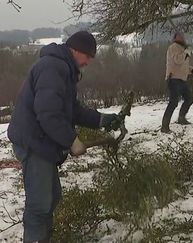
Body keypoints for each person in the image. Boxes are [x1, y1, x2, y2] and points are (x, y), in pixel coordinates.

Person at [7, 31, 120, 243]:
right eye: (88, 56)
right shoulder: (53, 68)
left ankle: (44, 238)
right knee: (40, 204)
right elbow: (48, 114)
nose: (88, 62)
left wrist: (101, 120)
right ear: (75, 50)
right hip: (34, 142)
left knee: (51, 197)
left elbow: (72, 110)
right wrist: (71, 141)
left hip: (42, 140)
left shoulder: (64, 69)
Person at [161, 32, 193, 133]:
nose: (182, 37)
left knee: (189, 99)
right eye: (180, 36)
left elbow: (183, 67)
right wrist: (186, 52)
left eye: (183, 36)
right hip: (173, 78)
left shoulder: (182, 49)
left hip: (182, 79)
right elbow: (177, 61)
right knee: (173, 102)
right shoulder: (173, 47)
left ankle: (181, 118)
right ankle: (164, 126)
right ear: (175, 37)